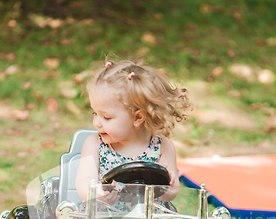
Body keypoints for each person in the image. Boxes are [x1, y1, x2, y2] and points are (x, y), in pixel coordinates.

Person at [75, 58, 191, 204]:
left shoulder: (162, 147)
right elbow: (83, 182)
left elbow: (171, 194)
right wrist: (96, 193)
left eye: (106, 117)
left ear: (137, 117)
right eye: (95, 113)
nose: (97, 123)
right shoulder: (94, 144)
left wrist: (167, 186)